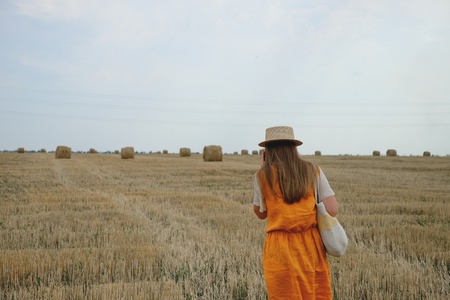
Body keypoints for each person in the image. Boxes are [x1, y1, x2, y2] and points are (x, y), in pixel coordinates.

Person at [252, 126, 339, 299]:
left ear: (267, 151)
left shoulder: (262, 176)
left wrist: (264, 170)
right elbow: (333, 209)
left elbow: (261, 213)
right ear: (293, 147)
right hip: (310, 245)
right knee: (314, 292)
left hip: (279, 248)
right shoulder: (313, 171)